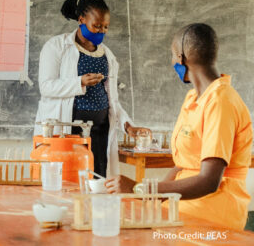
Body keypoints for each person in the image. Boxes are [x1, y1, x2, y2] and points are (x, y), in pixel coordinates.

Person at [105, 23, 253, 230]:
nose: (172, 61)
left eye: (173, 56)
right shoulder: (194, 97)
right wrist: (152, 200)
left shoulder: (221, 101)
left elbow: (209, 181)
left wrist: (142, 188)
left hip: (211, 216)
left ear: (181, 58)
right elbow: (181, 165)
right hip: (182, 209)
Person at [34, 0, 150, 177]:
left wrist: (128, 126)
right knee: (67, 182)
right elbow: (46, 87)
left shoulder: (107, 55)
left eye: (105, 27)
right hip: (67, 130)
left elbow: (113, 101)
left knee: (98, 180)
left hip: (99, 132)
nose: (101, 31)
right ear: (81, 20)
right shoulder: (56, 46)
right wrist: (79, 82)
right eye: (96, 26)